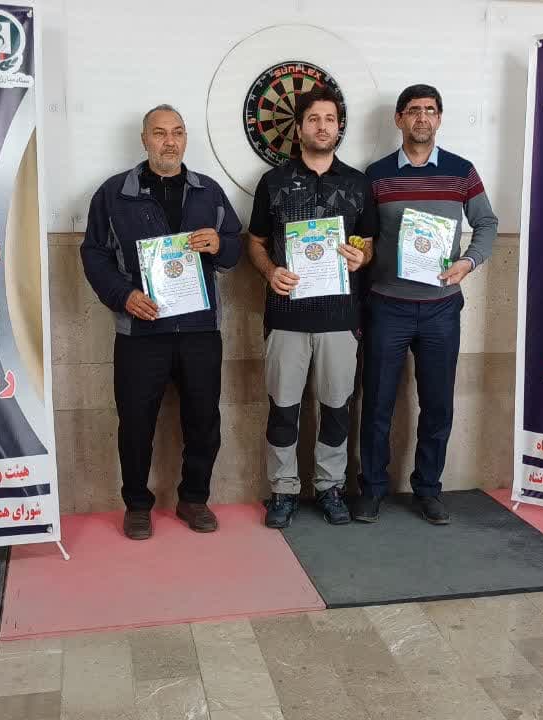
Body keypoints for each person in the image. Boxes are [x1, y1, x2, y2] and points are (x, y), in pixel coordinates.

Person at [80, 104, 242, 540]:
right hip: (140, 332)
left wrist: (219, 245)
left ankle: (194, 499)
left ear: (185, 139)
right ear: (144, 139)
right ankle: (137, 504)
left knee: (203, 420)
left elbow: (234, 249)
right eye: (159, 133)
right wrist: (124, 296)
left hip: (200, 330)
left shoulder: (209, 192)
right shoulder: (113, 194)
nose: (170, 142)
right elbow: (93, 254)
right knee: (135, 423)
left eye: (178, 132)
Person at [356, 84, 498, 525]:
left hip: (441, 307)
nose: (422, 118)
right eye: (414, 110)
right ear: (398, 119)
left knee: (437, 405)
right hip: (386, 306)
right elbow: (363, 235)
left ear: (439, 118)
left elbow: (487, 223)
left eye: (430, 110)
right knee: (376, 404)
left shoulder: (461, 172)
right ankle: (371, 490)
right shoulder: (376, 175)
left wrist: (468, 262)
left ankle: (428, 490)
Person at [245, 85, 377, 529]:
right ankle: (283, 490)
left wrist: (361, 257)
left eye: (330, 119)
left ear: (339, 128)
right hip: (286, 316)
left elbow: (368, 244)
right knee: (283, 409)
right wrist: (269, 271)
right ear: (299, 127)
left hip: (341, 317)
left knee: (337, 408)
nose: (322, 127)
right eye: (314, 119)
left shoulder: (358, 183)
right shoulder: (273, 182)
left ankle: (330, 486)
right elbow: (255, 242)